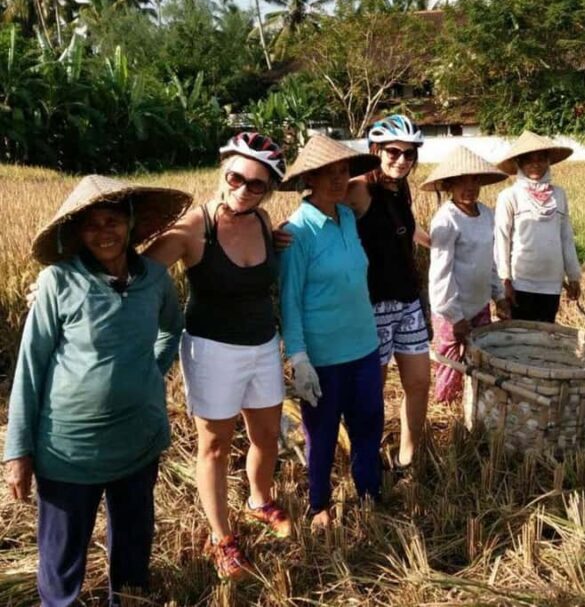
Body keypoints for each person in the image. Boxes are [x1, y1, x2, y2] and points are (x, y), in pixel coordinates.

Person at [3, 175, 190, 607]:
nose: (104, 232)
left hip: (138, 441)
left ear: (130, 222)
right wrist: (18, 451)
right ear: (77, 234)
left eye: (112, 220)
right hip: (69, 450)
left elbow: (172, 330)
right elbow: (29, 367)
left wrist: (151, 372)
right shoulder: (57, 283)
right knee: (62, 558)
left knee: (133, 546)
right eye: (91, 224)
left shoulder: (154, 280)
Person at [144, 133, 289, 581]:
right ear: (223, 170)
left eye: (257, 184)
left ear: (268, 190)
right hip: (212, 350)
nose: (244, 189)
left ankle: (259, 500)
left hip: (264, 344)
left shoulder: (264, 221)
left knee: (267, 435)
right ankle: (222, 539)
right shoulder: (194, 227)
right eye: (236, 177)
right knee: (214, 446)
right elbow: (139, 273)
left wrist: (280, 238)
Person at [279, 134, 383, 530]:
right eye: (327, 172)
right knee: (321, 433)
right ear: (310, 178)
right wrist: (299, 358)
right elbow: (289, 301)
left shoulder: (348, 219)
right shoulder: (296, 233)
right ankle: (319, 503)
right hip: (323, 356)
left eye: (342, 171)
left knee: (369, 422)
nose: (338, 179)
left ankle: (369, 491)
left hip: (364, 346)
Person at [346, 114, 431, 470]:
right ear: (375, 150)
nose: (401, 160)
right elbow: (316, 208)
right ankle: (364, 455)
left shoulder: (401, 188)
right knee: (371, 392)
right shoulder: (360, 187)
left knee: (419, 382)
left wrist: (434, 241)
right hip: (372, 304)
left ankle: (408, 455)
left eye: (409, 154)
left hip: (407, 299)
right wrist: (281, 233)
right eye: (393, 152)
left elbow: (399, 230)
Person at [422, 146, 510, 403]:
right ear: (449, 184)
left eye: (474, 180)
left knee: (481, 362)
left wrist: (499, 295)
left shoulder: (487, 214)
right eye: (461, 181)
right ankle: (447, 416)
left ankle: (476, 408)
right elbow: (440, 273)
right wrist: (455, 316)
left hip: (479, 304)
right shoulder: (446, 220)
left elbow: (490, 261)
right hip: (452, 310)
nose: (469, 186)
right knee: (450, 365)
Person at [493, 131, 582, 323]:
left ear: (548, 161)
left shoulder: (559, 194)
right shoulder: (510, 196)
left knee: (544, 335)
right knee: (520, 335)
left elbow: (566, 236)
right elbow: (502, 238)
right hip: (521, 281)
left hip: (552, 282)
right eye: (528, 160)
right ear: (519, 163)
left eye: (541, 158)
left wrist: (573, 275)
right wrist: (504, 280)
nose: (536, 164)